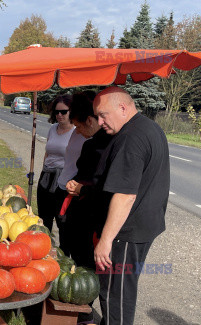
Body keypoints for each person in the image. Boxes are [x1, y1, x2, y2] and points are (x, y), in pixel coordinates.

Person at [92, 87, 170, 325]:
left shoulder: (130, 137)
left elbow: (125, 195)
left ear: (122, 108)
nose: (100, 121)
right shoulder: (148, 127)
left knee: (118, 295)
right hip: (141, 226)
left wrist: (105, 241)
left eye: (103, 115)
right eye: (97, 116)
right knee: (116, 290)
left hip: (125, 233)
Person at [59, 91, 113, 271]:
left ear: (90, 120)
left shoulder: (103, 146)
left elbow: (106, 188)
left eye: (78, 126)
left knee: (86, 264)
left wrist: (80, 189)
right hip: (83, 211)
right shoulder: (94, 142)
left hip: (91, 217)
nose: (77, 131)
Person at [37, 95, 81, 233]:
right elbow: (47, 152)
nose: (59, 115)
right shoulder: (52, 128)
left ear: (71, 111)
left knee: (61, 218)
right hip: (47, 175)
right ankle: (45, 243)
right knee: (44, 216)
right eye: (56, 112)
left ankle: (64, 249)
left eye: (63, 112)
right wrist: (44, 170)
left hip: (63, 177)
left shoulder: (77, 132)